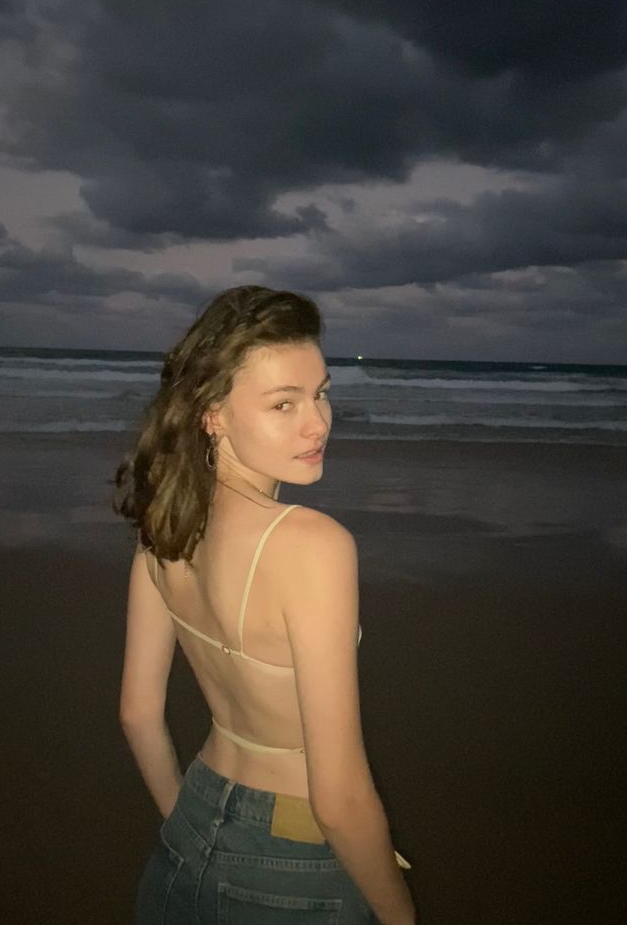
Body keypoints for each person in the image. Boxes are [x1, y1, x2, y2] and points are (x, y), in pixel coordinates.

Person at [114, 286, 416, 924]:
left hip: (188, 831)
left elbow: (139, 715)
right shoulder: (313, 546)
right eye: (284, 403)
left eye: (322, 393)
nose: (318, 423)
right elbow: (338, 799)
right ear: (212, 415)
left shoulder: (165, 524)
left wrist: (193, 837)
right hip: (295, 865)